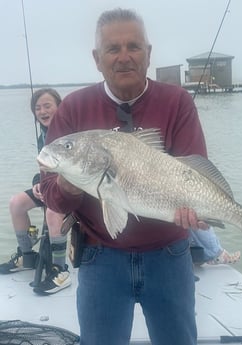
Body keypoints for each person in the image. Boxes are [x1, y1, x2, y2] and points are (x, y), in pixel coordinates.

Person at [40, 8, 224, 345]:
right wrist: (71, 180)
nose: (124, 57)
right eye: (112, 49)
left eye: (134, 47)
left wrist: (199, 212)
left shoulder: (177, 102)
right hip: (99, 256)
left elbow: (195, 172)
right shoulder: (73, 108)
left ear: (149, 54)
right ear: (97, 58)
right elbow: (52, 194)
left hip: (169, 255)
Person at [0, 88, 71, 295]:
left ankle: (60, 270)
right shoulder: (43, 134)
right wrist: (37, 183)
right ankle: (27, 256)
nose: (42, 111)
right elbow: (45, 169)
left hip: (72, 195)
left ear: (60, 107)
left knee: (52, 212)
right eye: (37, 108)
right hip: (49, 189)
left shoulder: (70, 133)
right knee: (16, 203)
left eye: (47, 106)